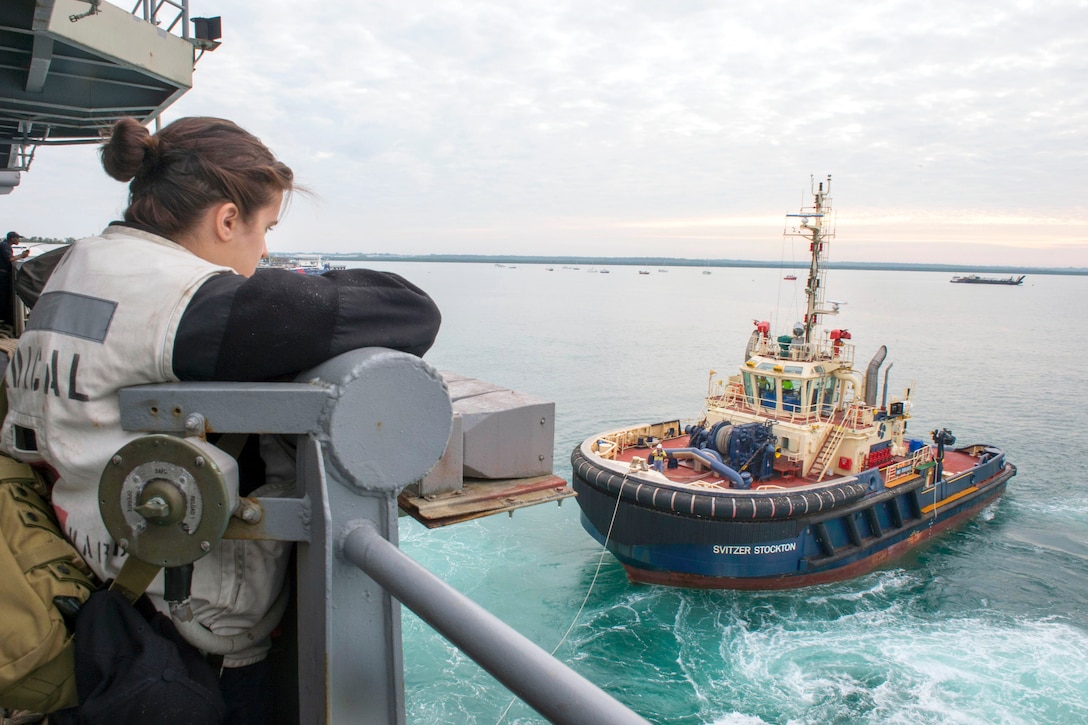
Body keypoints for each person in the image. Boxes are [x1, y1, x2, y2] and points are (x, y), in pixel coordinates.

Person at [0, 116, 441, 722]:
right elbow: (410, 309)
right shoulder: (178, 303)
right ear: (226, 219)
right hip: (191, 640)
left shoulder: (73, 270)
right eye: (264, 230)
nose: (264, 253)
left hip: (98, 577)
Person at [0, 231, 30, 327]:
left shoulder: (4, 245)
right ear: (12, 238)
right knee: (2, 297)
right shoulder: (5, 246)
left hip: (4, 274)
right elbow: (10, 259)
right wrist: (22, 256)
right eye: (17, 238)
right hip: (2, 275)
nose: (18, 240)